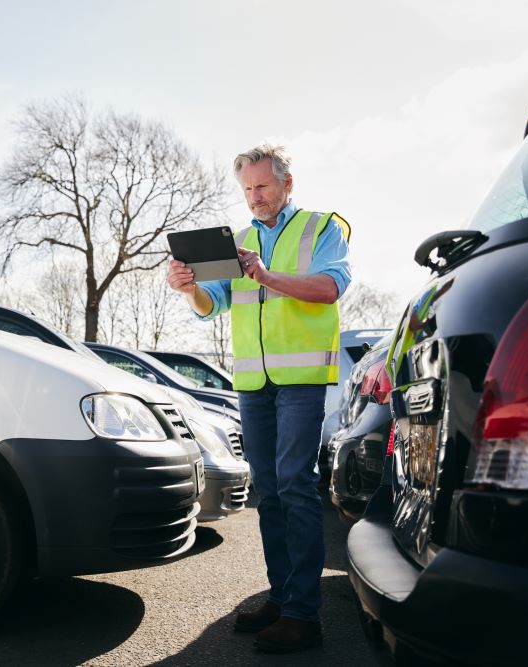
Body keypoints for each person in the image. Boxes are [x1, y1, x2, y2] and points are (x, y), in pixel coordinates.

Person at [166, 143, 351, 653]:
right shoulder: (238, 241)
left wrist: (266, 275)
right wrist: (187, 288)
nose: (255, 197)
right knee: (269, 490)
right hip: (252, 384)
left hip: (301, 378)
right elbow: (213, 303)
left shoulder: (321, 228)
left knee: (295, 484)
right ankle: (282, 596)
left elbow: (330, 288)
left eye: (263, 186)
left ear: (286, 184)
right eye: (247, 189)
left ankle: (303, 615)